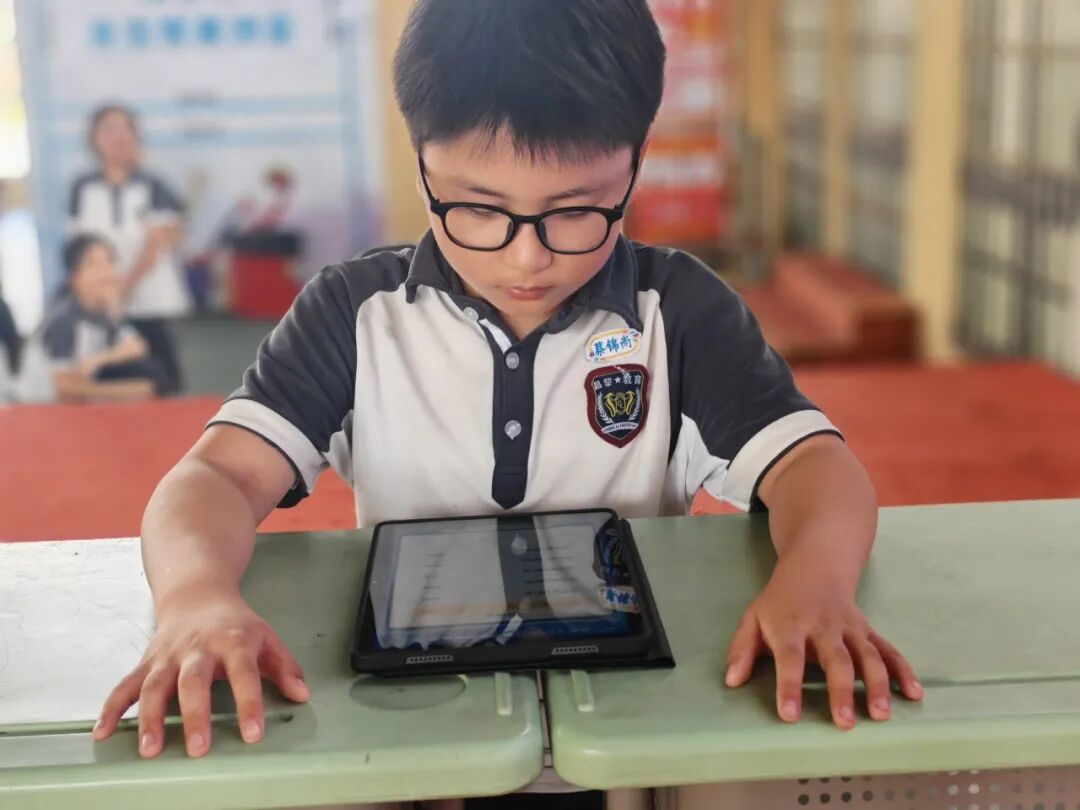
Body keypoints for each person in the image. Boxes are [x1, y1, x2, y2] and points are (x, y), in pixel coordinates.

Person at [94, 0, 922, 779]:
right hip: (419, 732)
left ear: (633, 168)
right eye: (479, 209)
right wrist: (194, 596)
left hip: (634, 728)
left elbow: (815, 466)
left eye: (577, 211)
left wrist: (816, 580)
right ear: (423, 166)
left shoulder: (677, 312)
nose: (527, 259)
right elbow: (217, 476)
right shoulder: (356, 314)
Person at [68, 104, 189, 395]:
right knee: (110, 382)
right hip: (102, 305)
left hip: (151, 300)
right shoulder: (82, 187)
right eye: (109, 129)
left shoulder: (154, 185)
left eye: (125, 129)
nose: (118, 137)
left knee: (165, 383)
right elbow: (81, 247)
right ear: (94, 139)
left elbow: (158, 242)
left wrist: (124, 287)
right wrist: (101, 293)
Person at [16, 234, 164, 404]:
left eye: (110, 262)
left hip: (79, 404)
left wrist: (98, 359)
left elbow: (136, 346)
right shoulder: (63, 320)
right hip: (37, 408)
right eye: (93, 265)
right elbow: (64, 389)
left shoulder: (103, 313)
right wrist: (134, 390)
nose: (106, 272)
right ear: (74, 276)